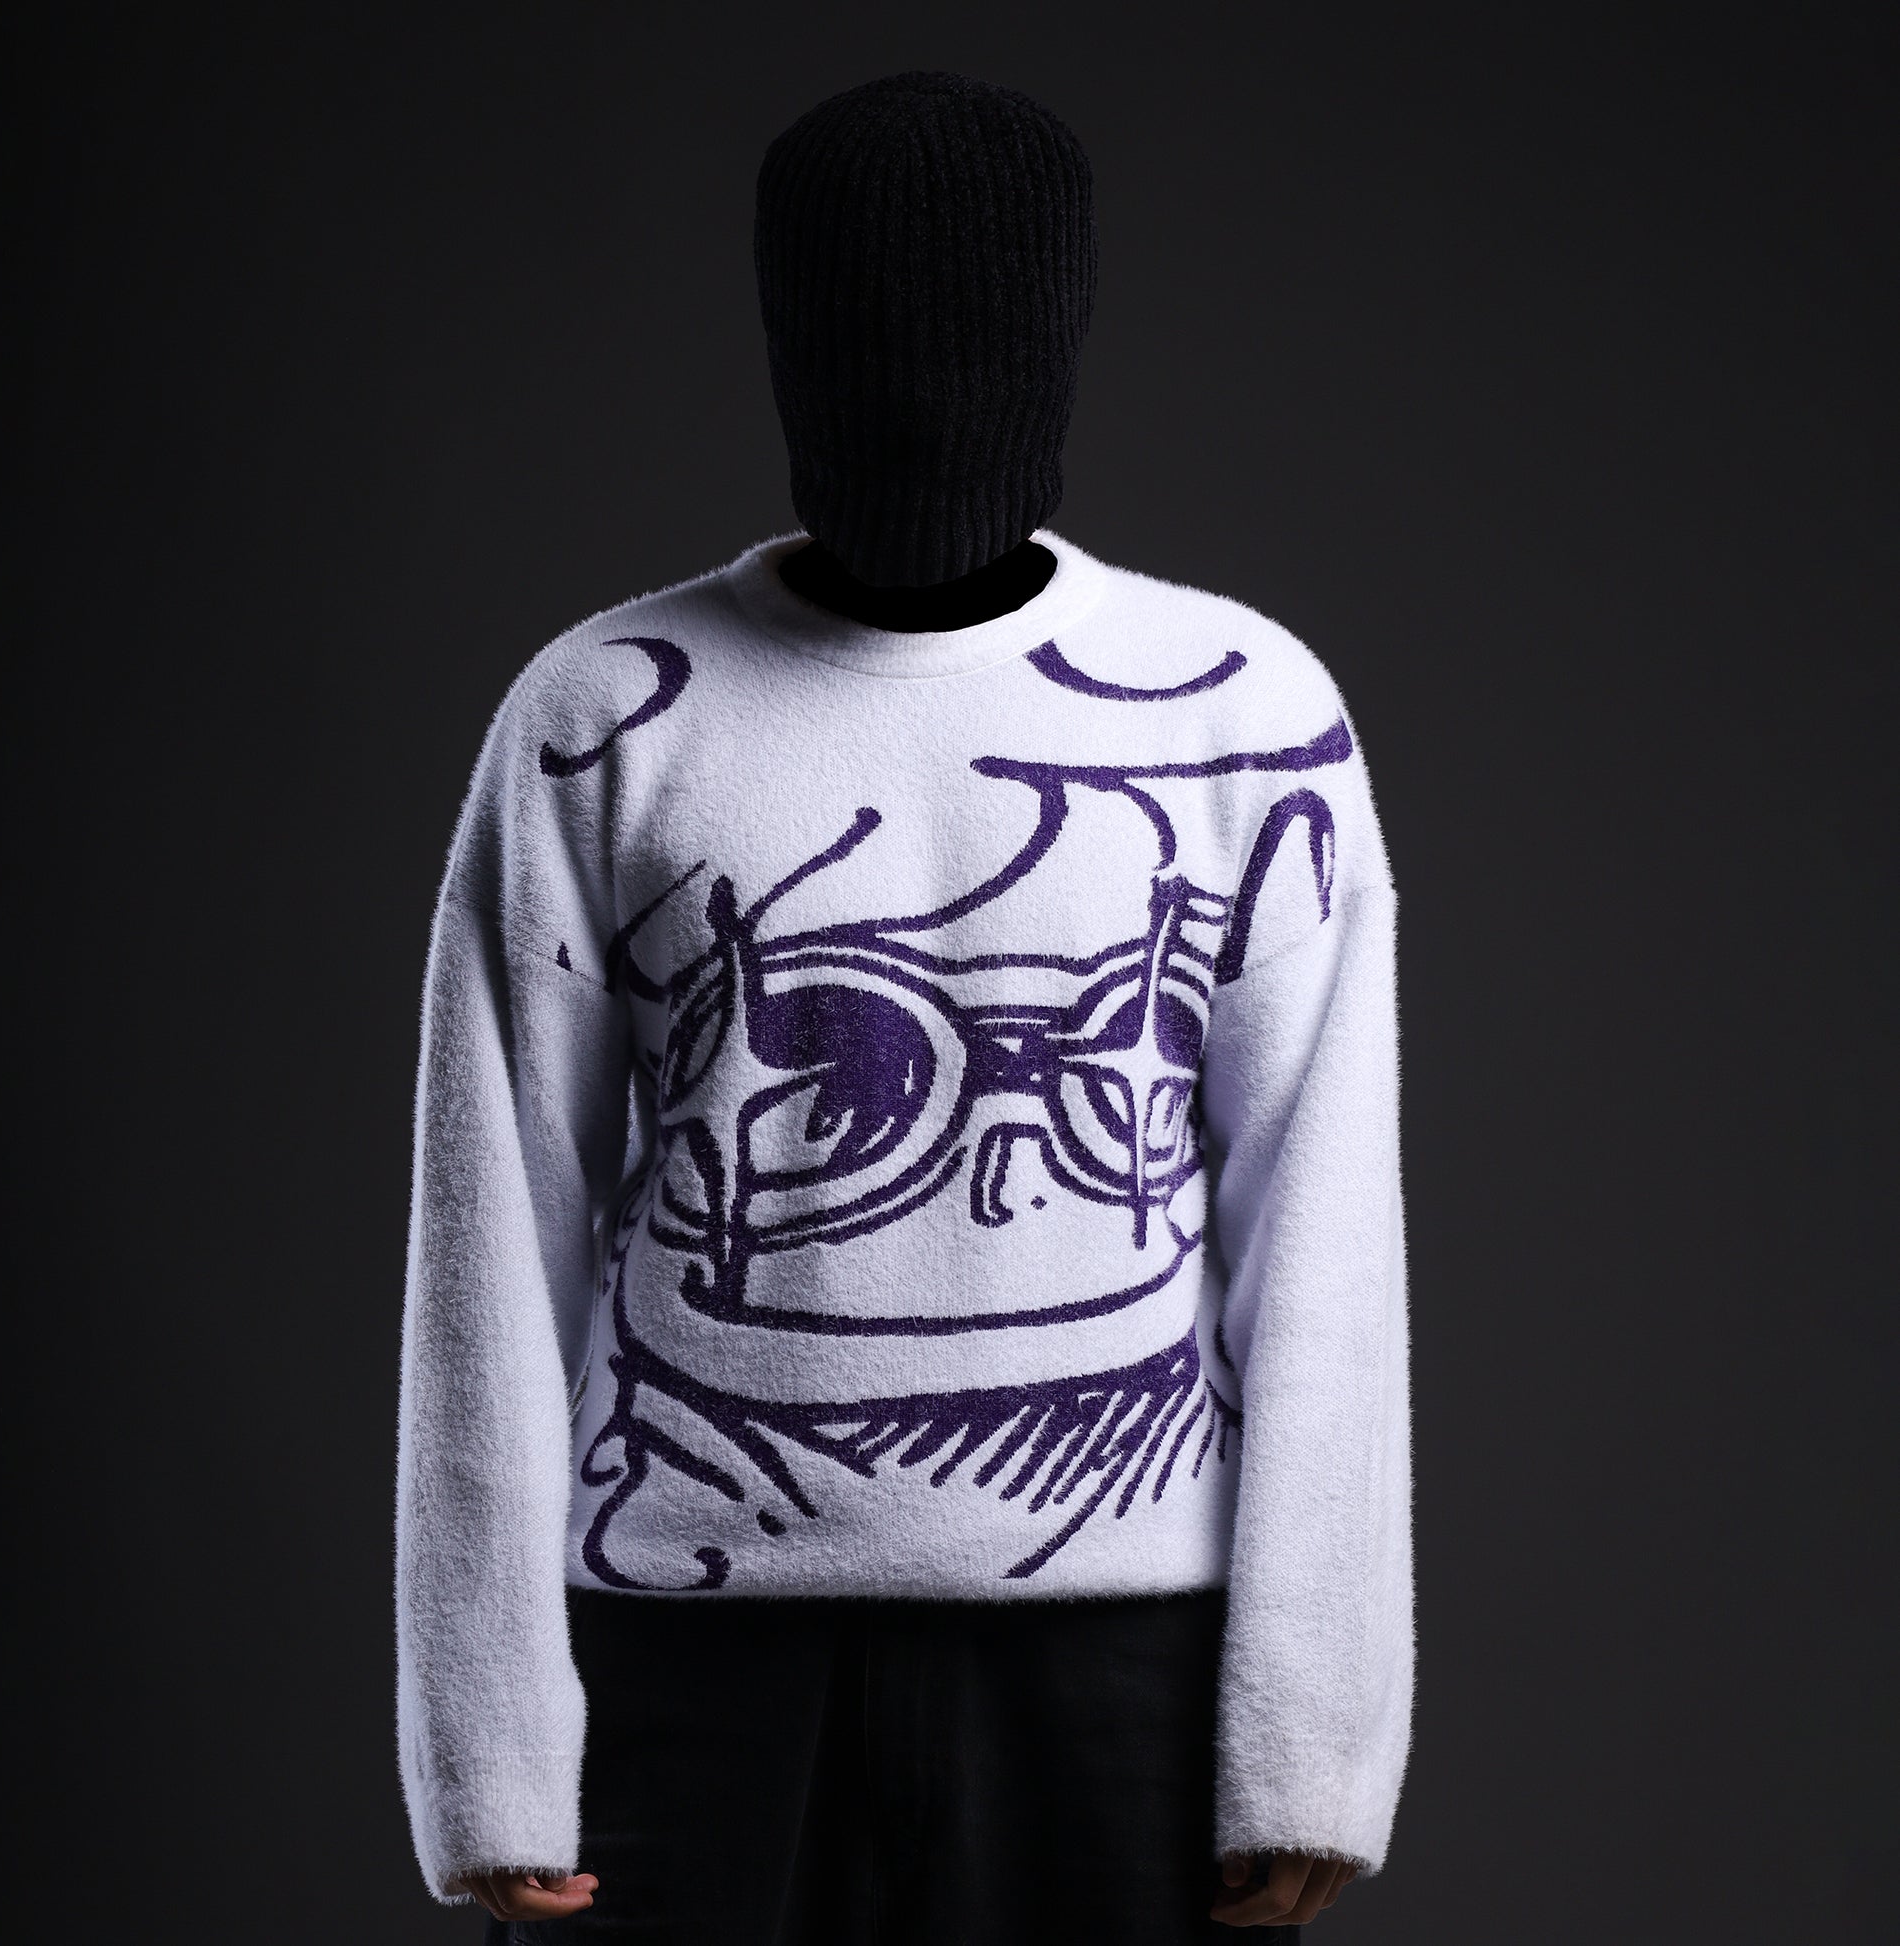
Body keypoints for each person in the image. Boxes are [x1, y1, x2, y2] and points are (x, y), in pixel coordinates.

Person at [396, 71, 1412, 1943]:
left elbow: (1322, 1246)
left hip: (1126, 1676)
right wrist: (488, 1744)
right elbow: (490, 1243)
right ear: (791, 341)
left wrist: (1312, 1738)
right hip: (690, 1657)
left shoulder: (1241, 714)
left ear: (1058, 336)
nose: (926, 400)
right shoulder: (602, 718)